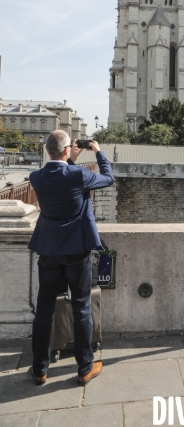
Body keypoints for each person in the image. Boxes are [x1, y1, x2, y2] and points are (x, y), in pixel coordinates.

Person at [28, 130, 114, 386]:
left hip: (48, 251)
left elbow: (63, 180)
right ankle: (84, 368)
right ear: (67, 150)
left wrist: (70, 158)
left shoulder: (36, 177)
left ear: (47, 151)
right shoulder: (77, 174)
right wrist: (97, 152)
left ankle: (39, 369)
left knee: (44, 310)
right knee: (81, 308)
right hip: (76, 250)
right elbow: (108, 178)